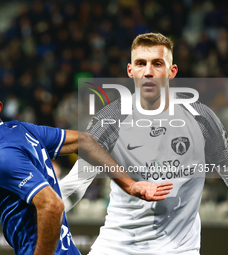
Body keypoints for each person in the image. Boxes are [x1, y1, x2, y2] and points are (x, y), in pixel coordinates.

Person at [0, 63, 173, 255]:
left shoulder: (0, 155)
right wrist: (130, 184)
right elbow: (86, 142)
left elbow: (52, 205)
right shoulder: (20, 131)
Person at [60, 32, 228, 255]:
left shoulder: (201, 119)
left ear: (172, 71)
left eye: (157, 64)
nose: (148, 72)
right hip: (117, 247)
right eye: (141, 63)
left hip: (179, 250)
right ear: (131, 71)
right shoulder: (110, 119)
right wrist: (42, 211)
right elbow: (75, 185)